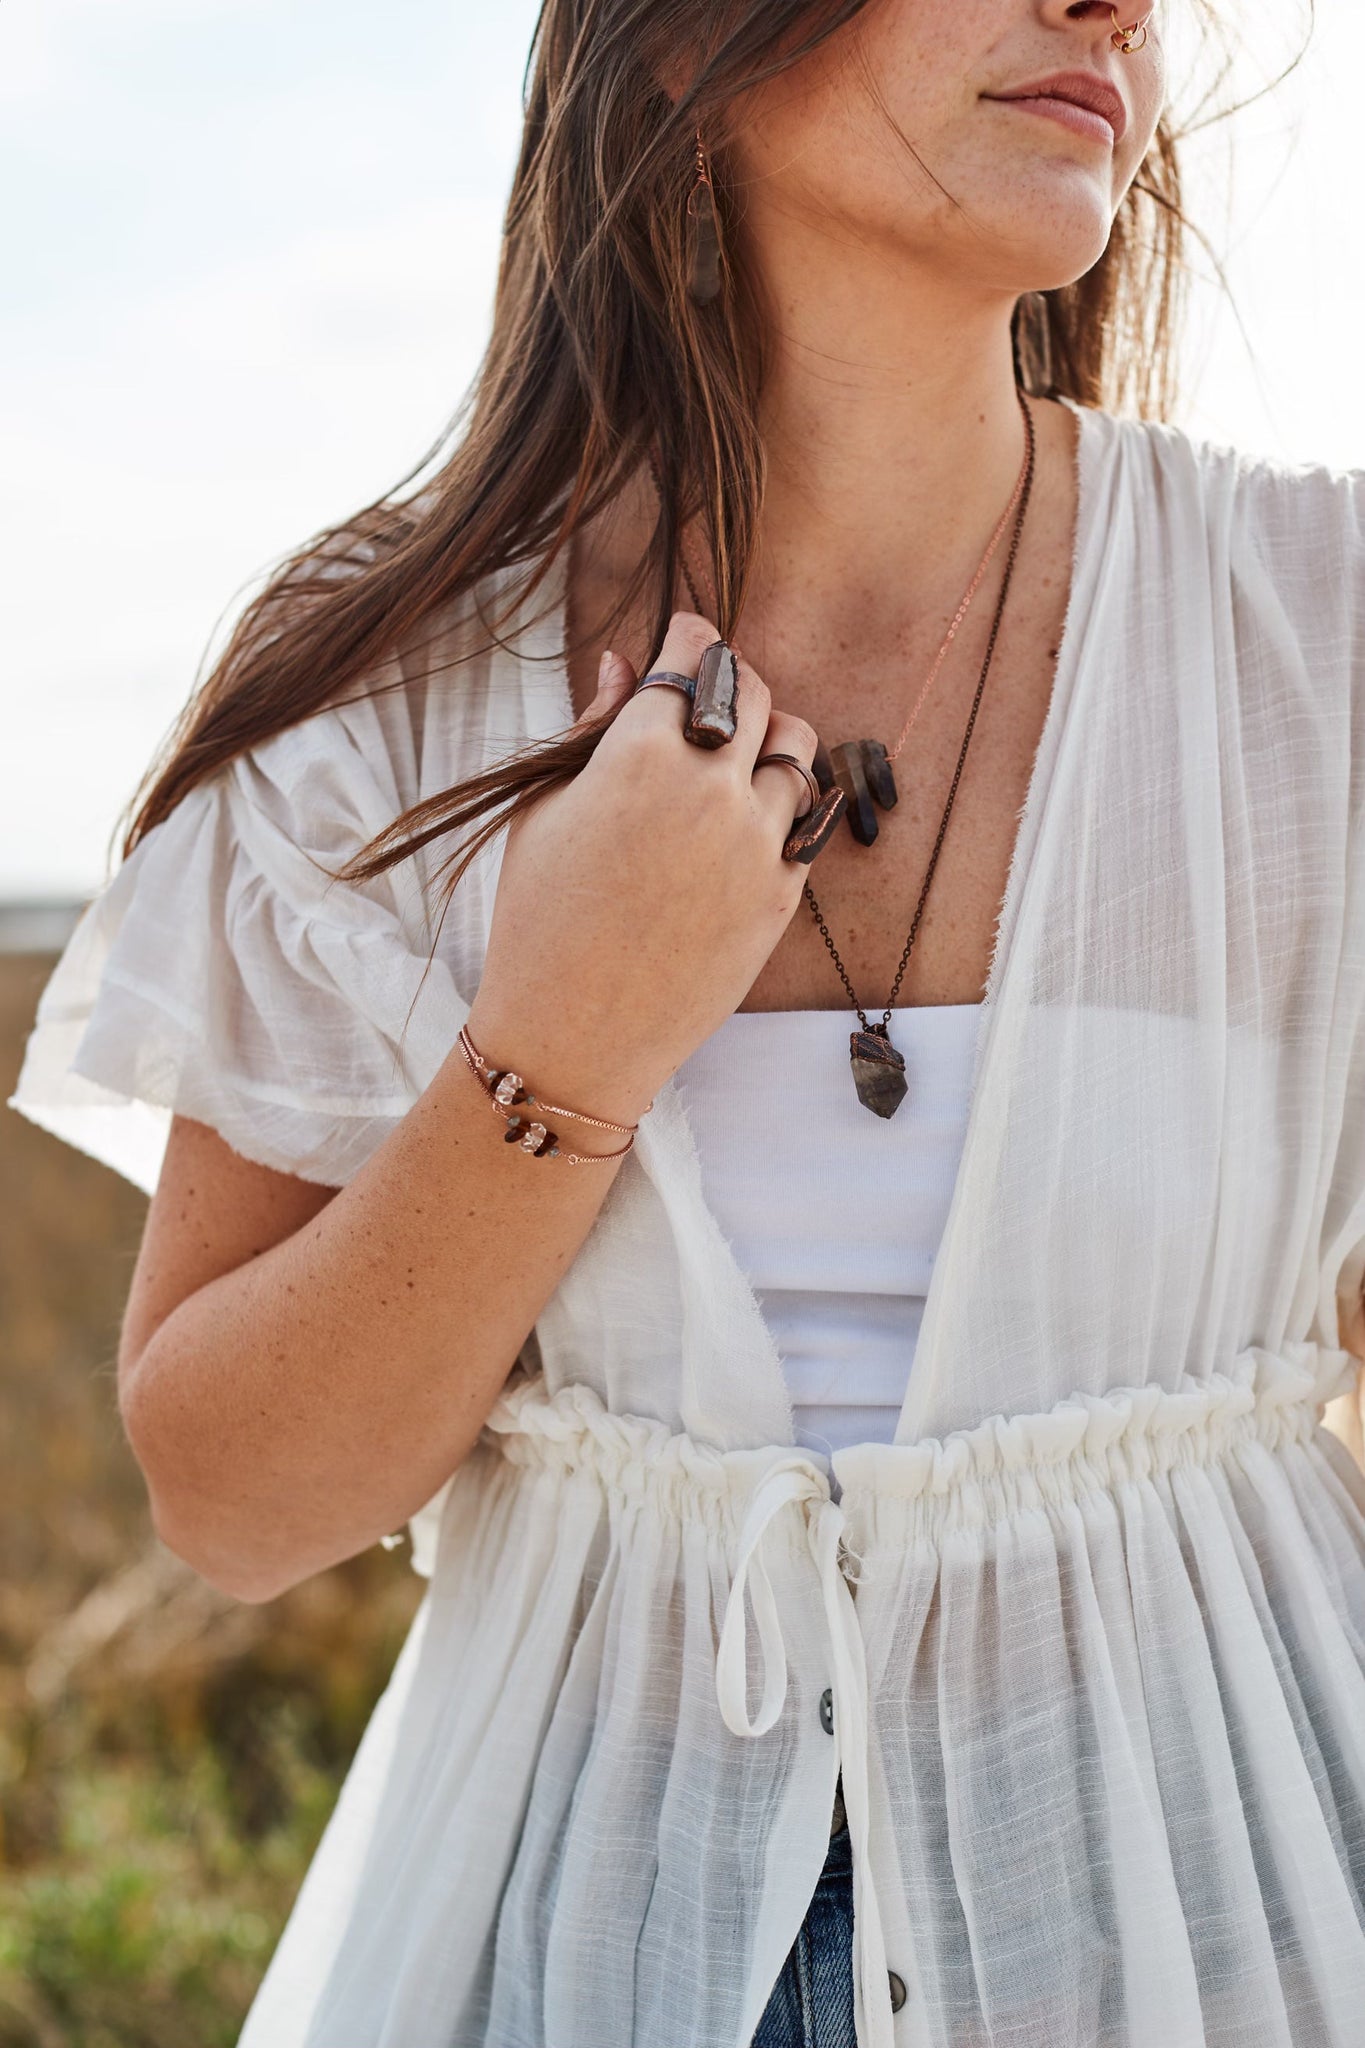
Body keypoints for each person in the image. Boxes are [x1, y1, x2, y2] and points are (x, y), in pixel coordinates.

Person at [11, 1, 1365, 2043]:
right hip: (584, 1957)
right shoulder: (388, 696)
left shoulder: (1312, 634)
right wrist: (560, 1040)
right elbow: (236, 1500)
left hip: (1239, 1931)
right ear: (677, 46)